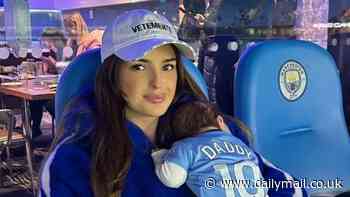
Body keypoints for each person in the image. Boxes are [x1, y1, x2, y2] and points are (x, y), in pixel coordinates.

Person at [39, 9, 306, 197]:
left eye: (167, 66)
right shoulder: (74, 160)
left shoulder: (212, 127)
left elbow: (287, 187)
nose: (159, 83)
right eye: (139, 67)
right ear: (112, 74)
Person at [152, 99, 268, 196]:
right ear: (220, 121)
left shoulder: (185, 147)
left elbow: (172, 179)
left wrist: (159, 156)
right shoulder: (242, 146)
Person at [30, 28, 64, 139]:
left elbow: (62, 69)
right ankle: (35, 129)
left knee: (47, 102)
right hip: (53, 86)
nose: (46, 43)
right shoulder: (52, 51)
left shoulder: (64, 50)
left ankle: (62, 129)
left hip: (63, 90)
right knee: (34, 101)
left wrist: (50, 62)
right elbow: (51, 72)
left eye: (47, 40)